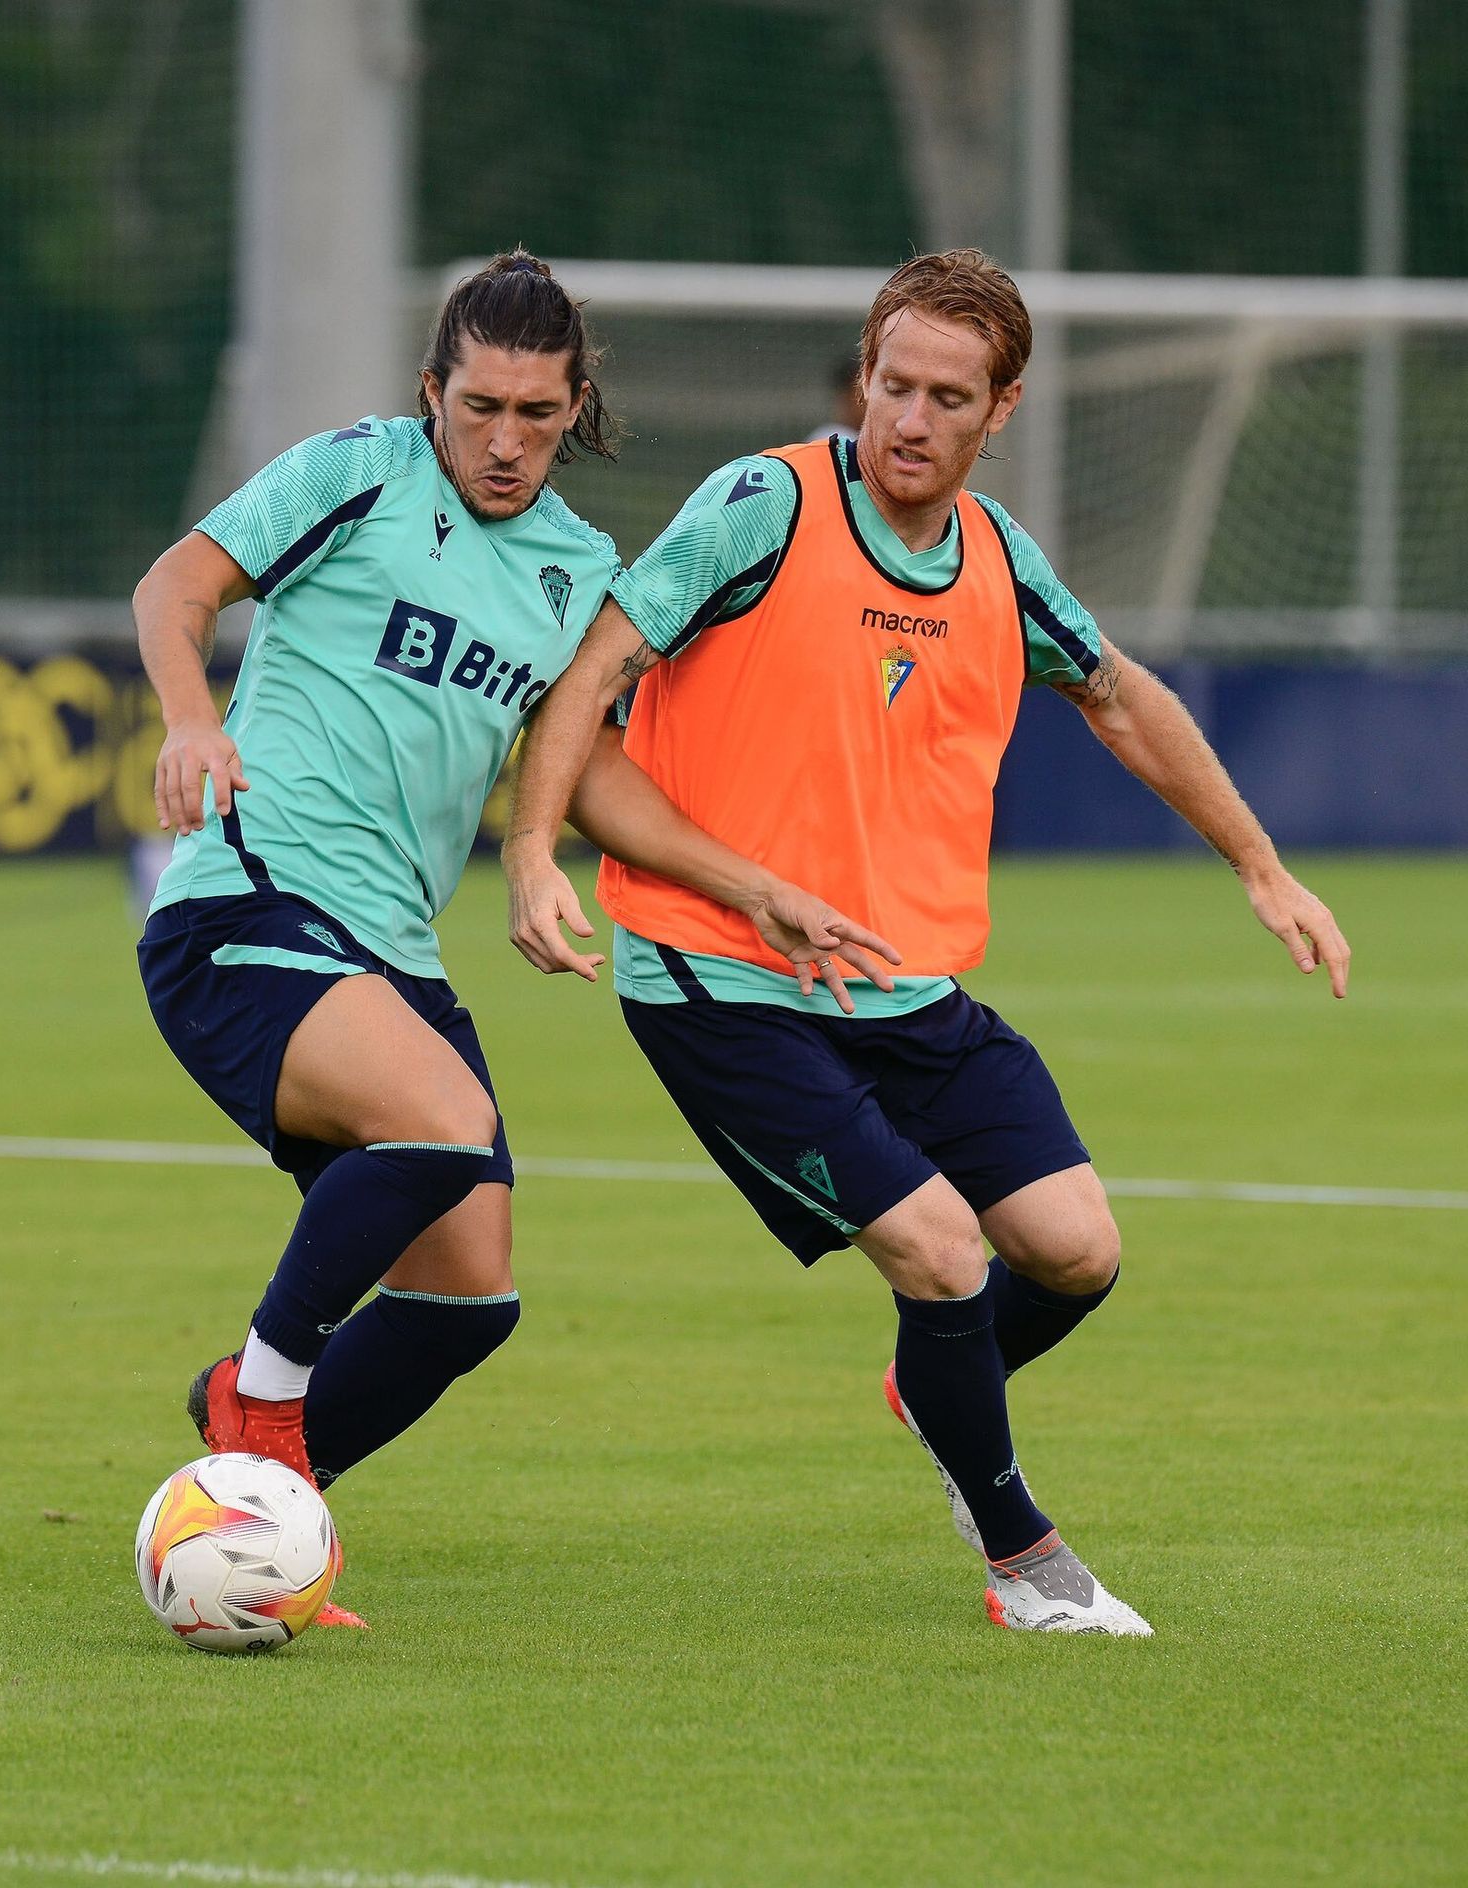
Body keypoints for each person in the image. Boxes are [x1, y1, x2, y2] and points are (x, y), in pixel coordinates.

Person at [501, 248, 1351, 1637]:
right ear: (867, 373)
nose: (908, 417)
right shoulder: (761, 506)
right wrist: (536, 855)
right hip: (723, 979)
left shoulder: (1002, 561)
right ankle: (1028, 1564)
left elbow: (1122, 698)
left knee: (1075, 1251)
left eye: (947, 397)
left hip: (902, 983)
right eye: (891, 383)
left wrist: (1260, 864)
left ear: (1000, 409)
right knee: (944, 1252)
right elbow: (594, 673)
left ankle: (938, 1391)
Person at [133, 252, 885, 1628]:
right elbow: (176, 585)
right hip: (249, 906)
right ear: (433, 391)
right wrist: (192, 717)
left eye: (538, 414)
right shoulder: (356, 472)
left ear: (575, 406)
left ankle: (252, 1518)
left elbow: (587, 773)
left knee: (469, 1297)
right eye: (479, 406)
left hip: (393, 954)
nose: (505, 440)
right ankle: (261, 1398)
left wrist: (752, 886)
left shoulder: (574, 569)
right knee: (438, 1124)